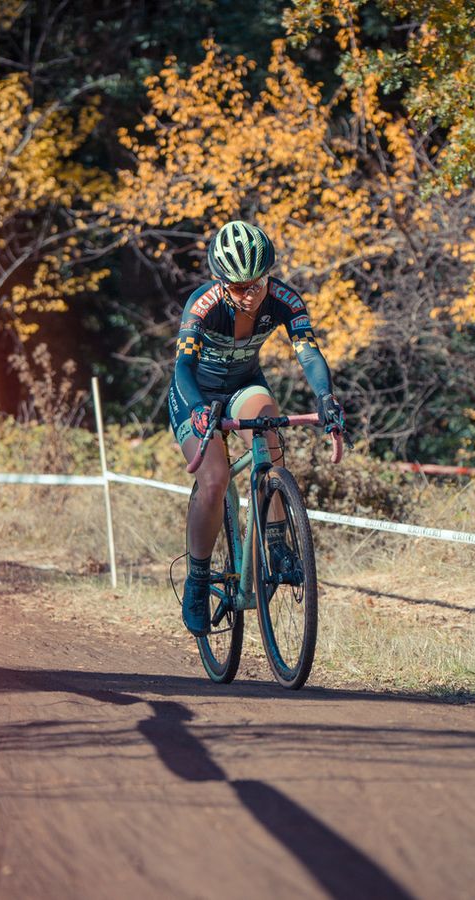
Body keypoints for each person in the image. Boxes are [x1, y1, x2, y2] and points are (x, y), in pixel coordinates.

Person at [167, 220, 345, 636]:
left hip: (245, 385)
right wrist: (196, 408)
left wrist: (326, 399)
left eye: (256, 284)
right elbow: (183, 367)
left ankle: (279, 542)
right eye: (237, 286)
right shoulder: (203, 303)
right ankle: (197, 579)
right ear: (221, 281)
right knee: (214, 479)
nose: (247, 294)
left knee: (269, 428)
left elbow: (309, 353)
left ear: (268, 275)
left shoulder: (284, 299)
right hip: (196, 393)